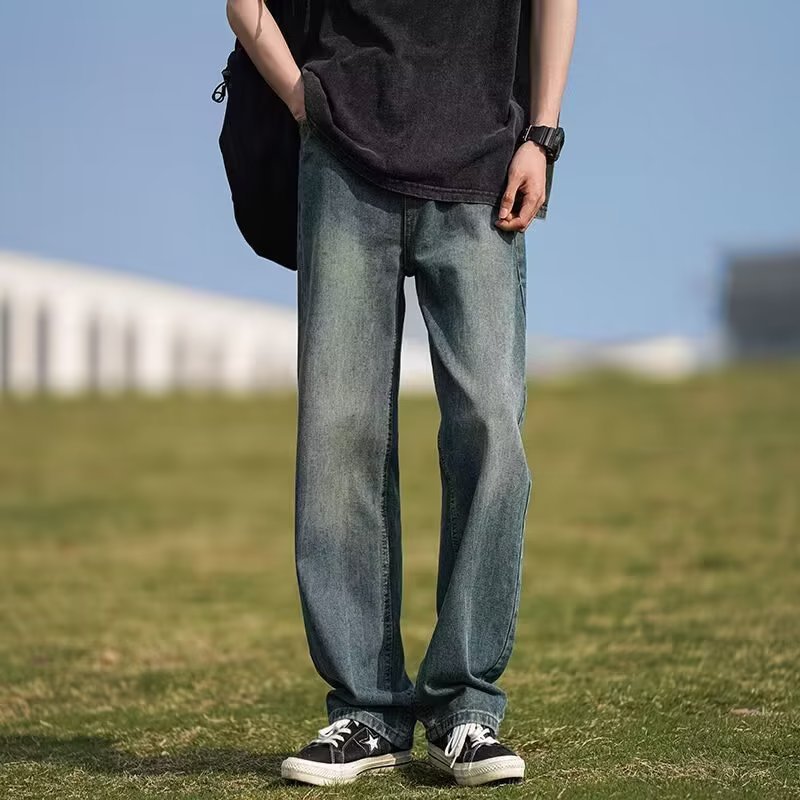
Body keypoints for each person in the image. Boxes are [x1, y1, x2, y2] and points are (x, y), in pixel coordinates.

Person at [226, 0, 577, 787]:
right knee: (339, 436)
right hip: (345, 165)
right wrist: (301, 100)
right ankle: (367, 709)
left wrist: (543, 135)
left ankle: (466, 708)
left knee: (491, 431)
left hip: (484, 163)